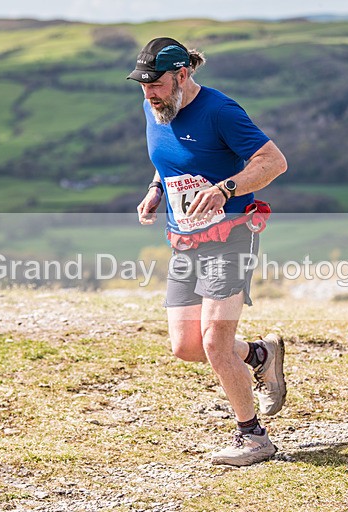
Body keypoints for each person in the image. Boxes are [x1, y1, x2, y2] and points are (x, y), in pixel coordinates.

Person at [129, 37, 288, 466]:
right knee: (186, 346)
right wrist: (156, 188)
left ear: (183, 75)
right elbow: (171, 158)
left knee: (215, 341)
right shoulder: (155, 107)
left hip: (233, 231)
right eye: (142, 86)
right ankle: (260, 354)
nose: (148, 94)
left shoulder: (220, 111)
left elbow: (273, 161)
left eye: (156, 84)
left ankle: (254, 437)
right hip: (185, 238)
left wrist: (226, 188)